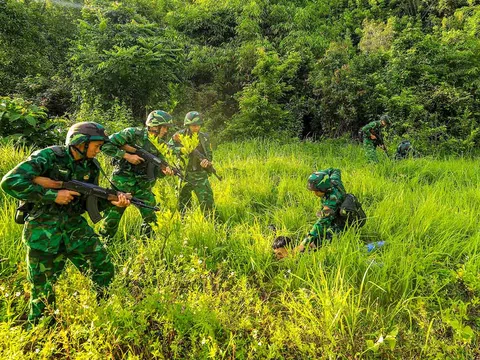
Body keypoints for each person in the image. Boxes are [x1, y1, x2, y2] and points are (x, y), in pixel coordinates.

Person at [0, 122, 131, 325]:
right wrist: (52, 195)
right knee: (42, 291)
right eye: (96, 145)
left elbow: (86, 205)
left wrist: (112, 202)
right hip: (43, 231)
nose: (99, 150)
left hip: (74, 228)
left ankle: (105, 315)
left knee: (103, 268)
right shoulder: (49, 156)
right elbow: (9, 182)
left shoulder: (91, 165)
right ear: (80, 143)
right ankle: (41, 330)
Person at [100, 110, 174, 239]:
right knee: (112, 218)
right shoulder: (133, 134)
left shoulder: (161, 145)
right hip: (122, 183)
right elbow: (105, 145)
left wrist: (164, 172)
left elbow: (157, 172)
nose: (166, 131)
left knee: (151, 217)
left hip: (144, 186)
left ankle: (148, 243)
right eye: (165, 127)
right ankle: (103, 243)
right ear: (155, 126)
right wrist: (127, 155)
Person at [273, 169, 347, 259]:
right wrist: (319, 175)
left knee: (323, 239)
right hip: (337, 212)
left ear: (324, 189)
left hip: (343, 220)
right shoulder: (334, 181)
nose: (314, 193)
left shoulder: (331, 200)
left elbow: (321, 223)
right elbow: (335, 170)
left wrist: (304, 243)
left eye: (317, 191)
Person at [169, 111, 215, 215]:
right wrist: (182, 150)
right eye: (193, 125)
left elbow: (209, 154)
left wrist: (207, 162)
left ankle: (211, 224)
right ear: (188, 125)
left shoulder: (204, 137)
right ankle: (184, 224)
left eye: (198, 125)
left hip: (200, 175)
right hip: (184, 174)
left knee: (207, 203)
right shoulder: (179, 136)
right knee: (183, 204)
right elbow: (168, 148)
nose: (196, 128)